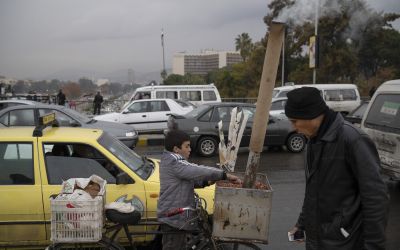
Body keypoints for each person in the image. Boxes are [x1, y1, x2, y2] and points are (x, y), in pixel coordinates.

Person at [285, 87, 388, 250]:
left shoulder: (353, 139)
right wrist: (302, 224)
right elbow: (313, 191)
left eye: (294, 121)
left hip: (347, 241)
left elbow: (376, 198)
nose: (292, 128)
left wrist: (374, 246)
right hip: (318, 240)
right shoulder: (313, 141)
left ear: (310, 115)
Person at [157, 129, 241, 250]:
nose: (190, 149)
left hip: (177, 215)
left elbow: (189, 180)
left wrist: (208, 181)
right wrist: (224, 175)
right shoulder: (175, 163)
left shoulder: (170, 161)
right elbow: (198, 170)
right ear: (176, 149)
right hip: (174, 217)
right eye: (187, 146)